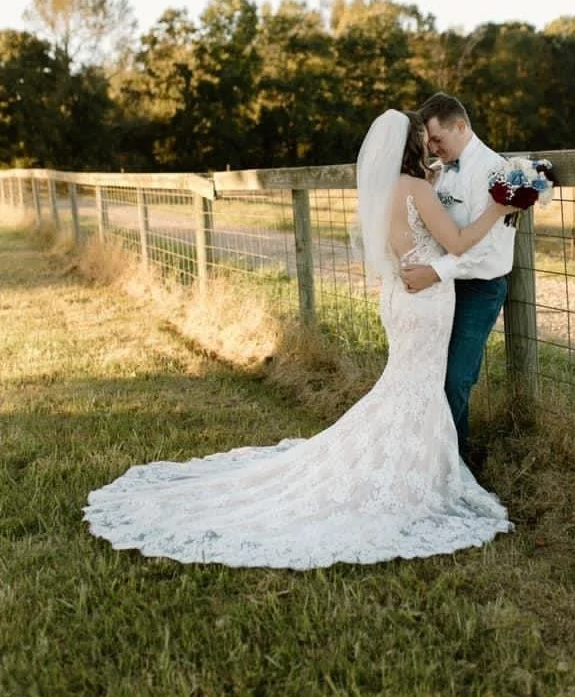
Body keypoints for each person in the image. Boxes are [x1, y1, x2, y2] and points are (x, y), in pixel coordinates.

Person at [83, 109, 515, 569]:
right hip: (425, 299)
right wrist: (498, 208)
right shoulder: (418, 190)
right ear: (414, 146)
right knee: (418, 385)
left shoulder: (385, 189)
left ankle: (422, 465)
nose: (431, 146)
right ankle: (422, 473)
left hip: (397, 297)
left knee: (406, 383)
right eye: (424, 141)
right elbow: (459, 241)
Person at [401, 93, 516, 466]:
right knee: (431, 371)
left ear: (461, 127)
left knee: (456, 378)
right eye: (429, 142)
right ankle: (436, 456)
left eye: (438, 140)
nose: (432, 148)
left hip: (479, 287)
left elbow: (488, 246)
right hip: (441, 289)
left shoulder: (493, 171)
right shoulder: (437, 171)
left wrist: (434, 272)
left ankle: (457, 463)